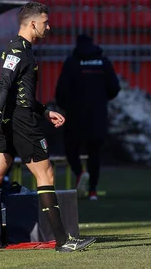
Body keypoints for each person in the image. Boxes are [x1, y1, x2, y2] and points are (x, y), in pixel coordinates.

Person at [0, 2, 96, 254]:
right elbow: (3, 87)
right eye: (45, 22)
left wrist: (45, 111)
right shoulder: (17, 51)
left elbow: (19, 94)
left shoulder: (22, 50)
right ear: (32, 23)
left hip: (11, 119)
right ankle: (63, 240)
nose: (49, 26)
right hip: (20, 123)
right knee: (46, 175)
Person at [55, 34, 120, 200]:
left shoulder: (71, 63)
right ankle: (92, 190)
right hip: (97, 115)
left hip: (76, 114)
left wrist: (65, 106)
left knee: (71, 149)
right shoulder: (103, 62)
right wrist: (101, 100)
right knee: (94, 153)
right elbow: (114, 87)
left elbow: (61, 90)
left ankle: (80, 172)